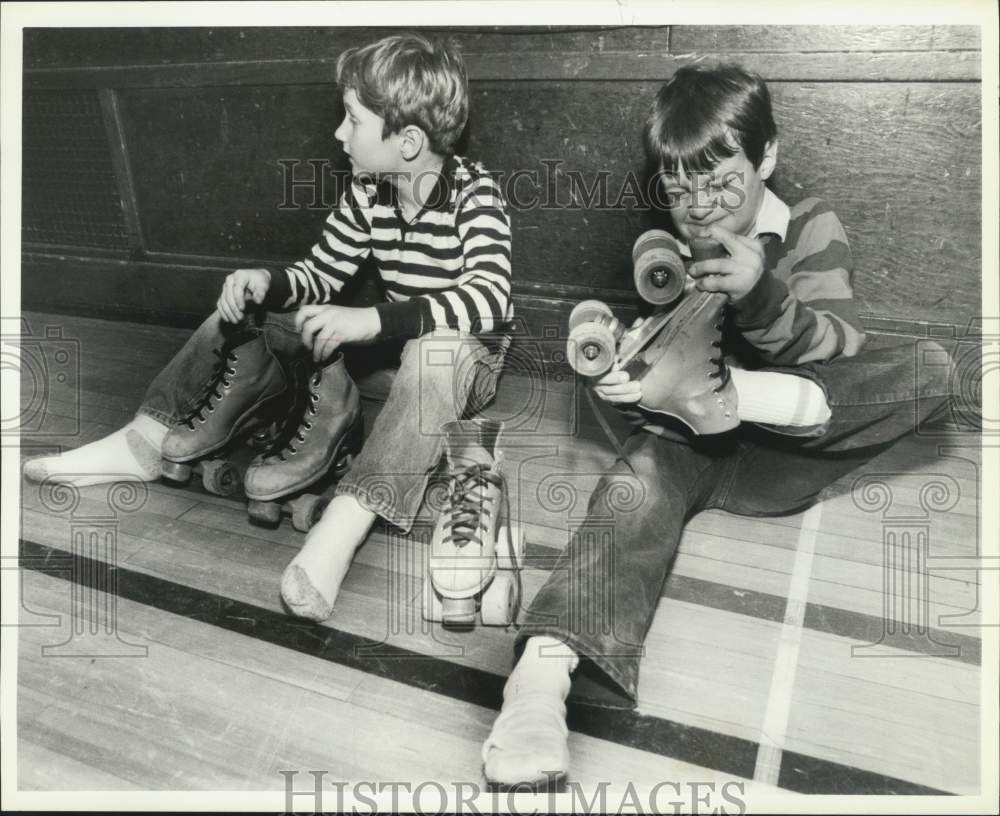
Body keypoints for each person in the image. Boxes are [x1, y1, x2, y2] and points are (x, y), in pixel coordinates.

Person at [480, 63, 953, 787]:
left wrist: (761, 298)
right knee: (632, 489)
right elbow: (649, 377)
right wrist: (620, 376)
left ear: (765, 158)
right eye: (676, 188)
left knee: (928, 367)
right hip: (688, 446)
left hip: (786, 446)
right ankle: (537, 689)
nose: (697, 206)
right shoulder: (667, 249)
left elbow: (842, 344)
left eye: (719, 180)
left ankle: (735, 394)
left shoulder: (807, 224)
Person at [25, 33, 513, 622]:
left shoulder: (475, 193)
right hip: (386, 356)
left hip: (458, 371)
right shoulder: (368, 189)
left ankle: (346, 521)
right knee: (243, 313)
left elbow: (489, 299)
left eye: (352, 121)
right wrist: (268, 282)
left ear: (407, 141)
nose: (339, 133)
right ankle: (144, 441)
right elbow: (322, 272)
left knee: (438, 351)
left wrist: (369, 320)